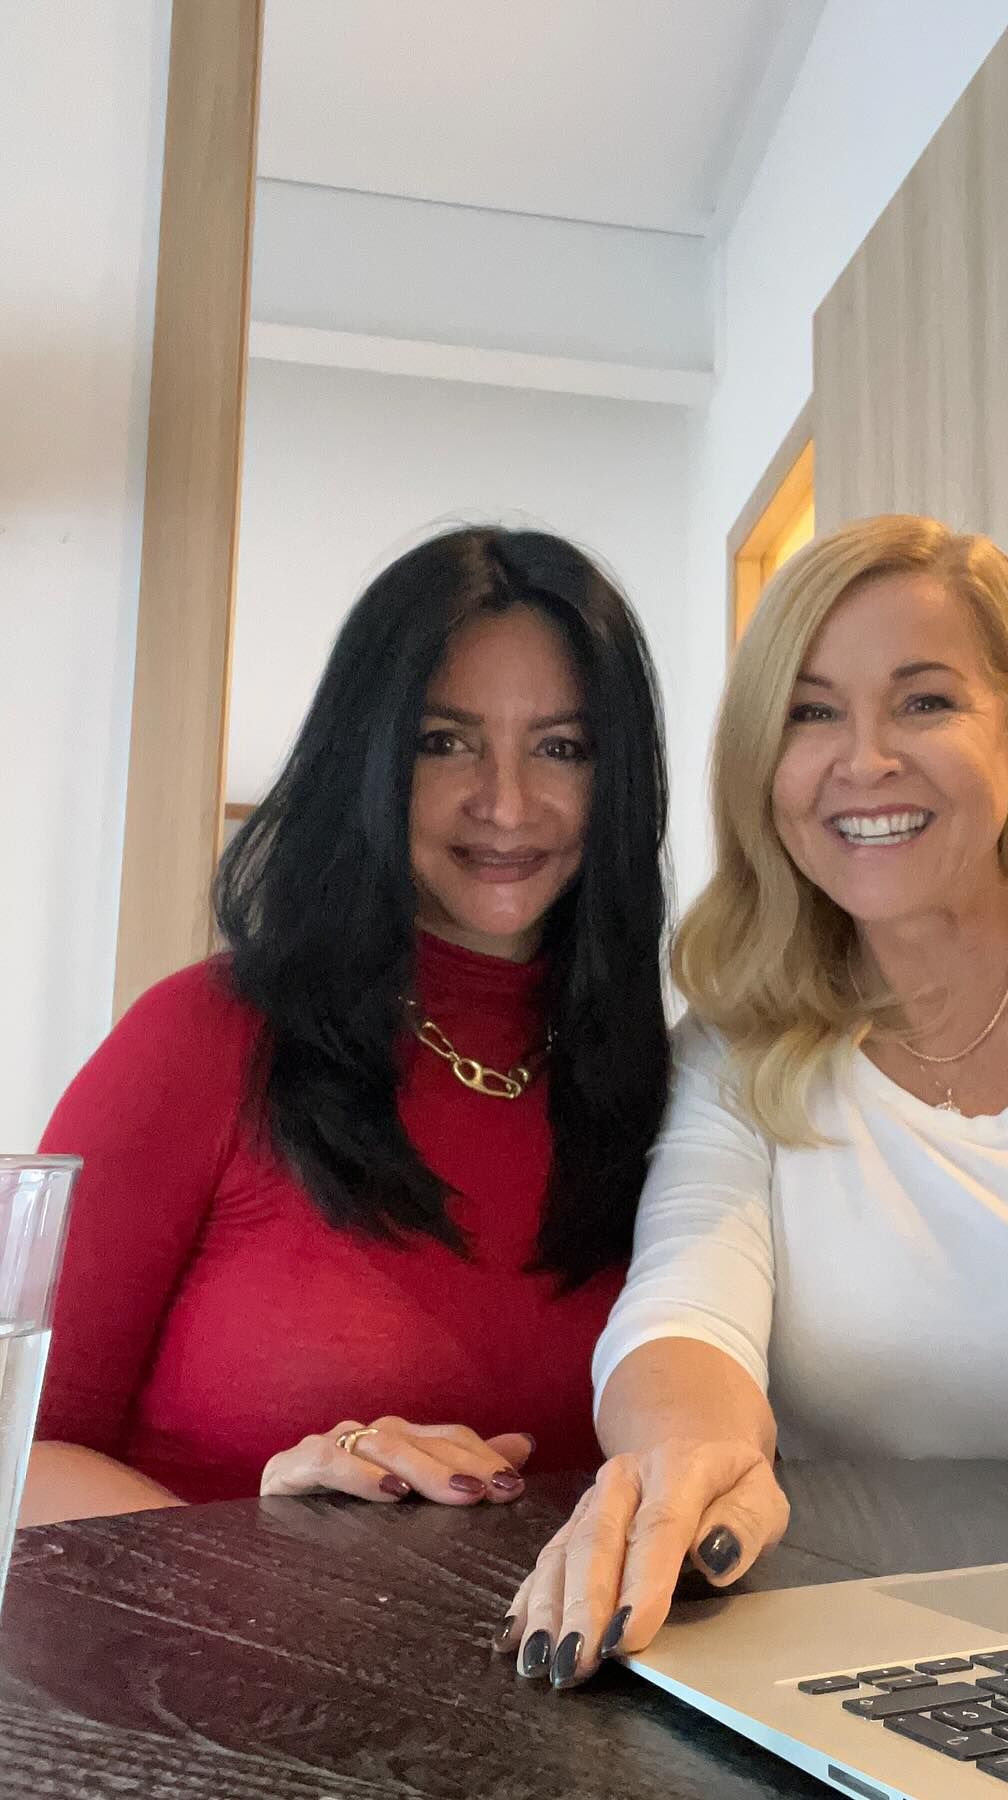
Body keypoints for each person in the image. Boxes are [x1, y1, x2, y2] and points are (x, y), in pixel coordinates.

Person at [501, 515, 1008, 1691]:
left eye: (924, 702)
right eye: (810, 712)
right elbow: (686, 1298)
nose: (866, 760)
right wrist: (683, 1461)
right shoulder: (739, 1050)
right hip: (882, 1655)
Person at [24, 525, 670, 1525]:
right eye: (443, 742)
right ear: (366, 758)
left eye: (562, 748)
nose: (506, 805)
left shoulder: (661, 1085)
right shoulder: (200, 1040)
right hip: (201, 1630)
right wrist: (256, 1545)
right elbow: (18, 1452)